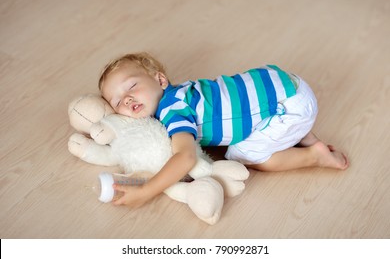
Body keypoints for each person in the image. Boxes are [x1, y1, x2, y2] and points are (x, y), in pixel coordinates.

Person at [98, 52, 349, 208]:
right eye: (118, 102)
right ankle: (301, 133)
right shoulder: (183, 91)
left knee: (242, 153)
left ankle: (314, 154)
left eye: (131, 86)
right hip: (282, 82)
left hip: (290, 106)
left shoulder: (172, 110)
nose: (128, 100)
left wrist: (145, 190)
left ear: (160, 80)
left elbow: (184, 157)